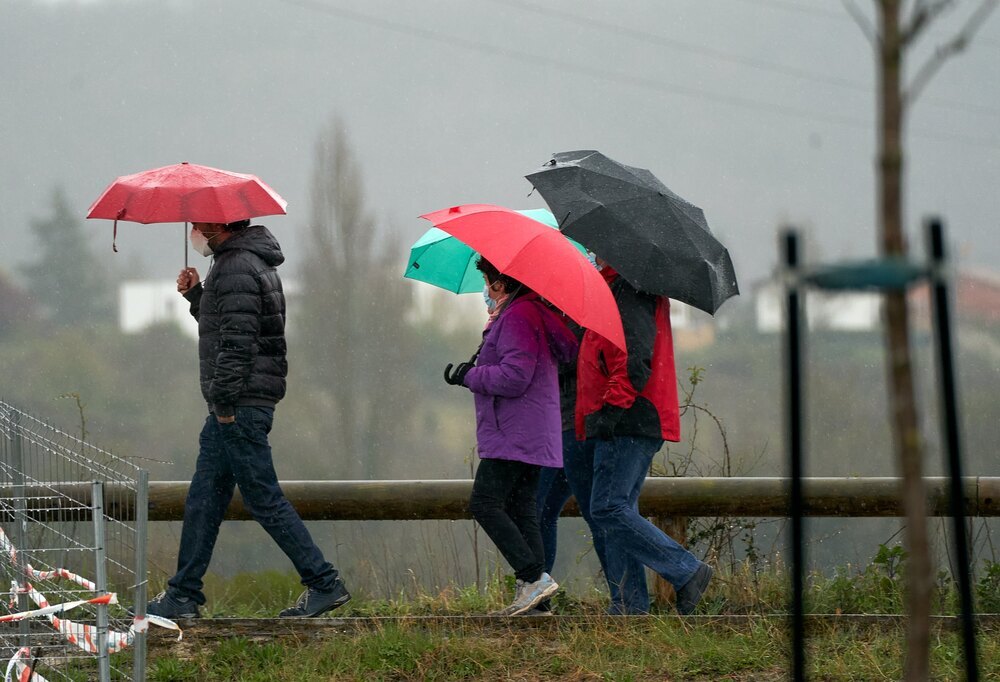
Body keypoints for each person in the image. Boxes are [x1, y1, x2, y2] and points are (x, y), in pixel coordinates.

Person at [142, 219, 349, 619]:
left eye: (200, 224)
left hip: (237, 406)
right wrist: (196, 295)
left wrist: (222, 403)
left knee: (263, 499)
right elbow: (226, 326)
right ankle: (183, 593)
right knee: (205, 499)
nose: (195, 232)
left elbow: (238, 342)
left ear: (221, 225)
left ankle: (324, 582)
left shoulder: (236, 265)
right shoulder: (244, 262)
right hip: (239, 403)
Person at [565, 258, 713, 615]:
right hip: (629, 416)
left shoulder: (627, 290)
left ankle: (686, 571)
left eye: (596, 246)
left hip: (629, 418)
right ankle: (630, 608)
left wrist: (610, 412)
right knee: (616, 510)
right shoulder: (619, 287)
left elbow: (633, 361)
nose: (592, 252)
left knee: (608, 507)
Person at [444, 256, 578, 616]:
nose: (485, 290)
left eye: (487, 282)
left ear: (500, 284)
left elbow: (514, 377)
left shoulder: (519, 316)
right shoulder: (526, 314)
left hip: (514, 431)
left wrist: (470, 377)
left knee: (485, 503)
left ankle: (533, 578)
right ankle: (536, 600)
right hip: (531, 431)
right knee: (522, 510)